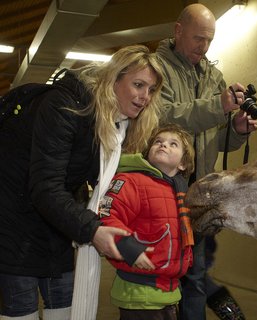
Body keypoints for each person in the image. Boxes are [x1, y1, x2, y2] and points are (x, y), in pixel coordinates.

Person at [0, 44, 163, 320]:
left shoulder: (113, 126)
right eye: (138, 85)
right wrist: (92, 231)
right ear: (114, 79)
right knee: (22, 310)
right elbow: (45, 186)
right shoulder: (65, 107)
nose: (145, 97)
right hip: (13, 221)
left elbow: (102, 189)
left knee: (65, 307)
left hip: (56, 222)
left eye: (151, 90)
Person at [155, 3, 257, 319]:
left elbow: (217, 138)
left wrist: (238, 130)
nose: (203, 47)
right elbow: (165, 119)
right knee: (159, 278)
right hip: (162, 191)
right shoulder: (155, 68)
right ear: (178, 31)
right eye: (197, 38)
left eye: (209, 41)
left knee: (196, 279)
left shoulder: (214, 75)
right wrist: (218, 105)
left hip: (197, 196)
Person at [99, 123, 195, 320]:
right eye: (158, 142)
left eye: (173, 144)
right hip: (137, 291)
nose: (163, 145)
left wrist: (187, 259)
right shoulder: (132, 181)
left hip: (168, 293)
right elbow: (107, 214)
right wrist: (129, 248)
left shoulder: (181, 193)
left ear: (183, 164)